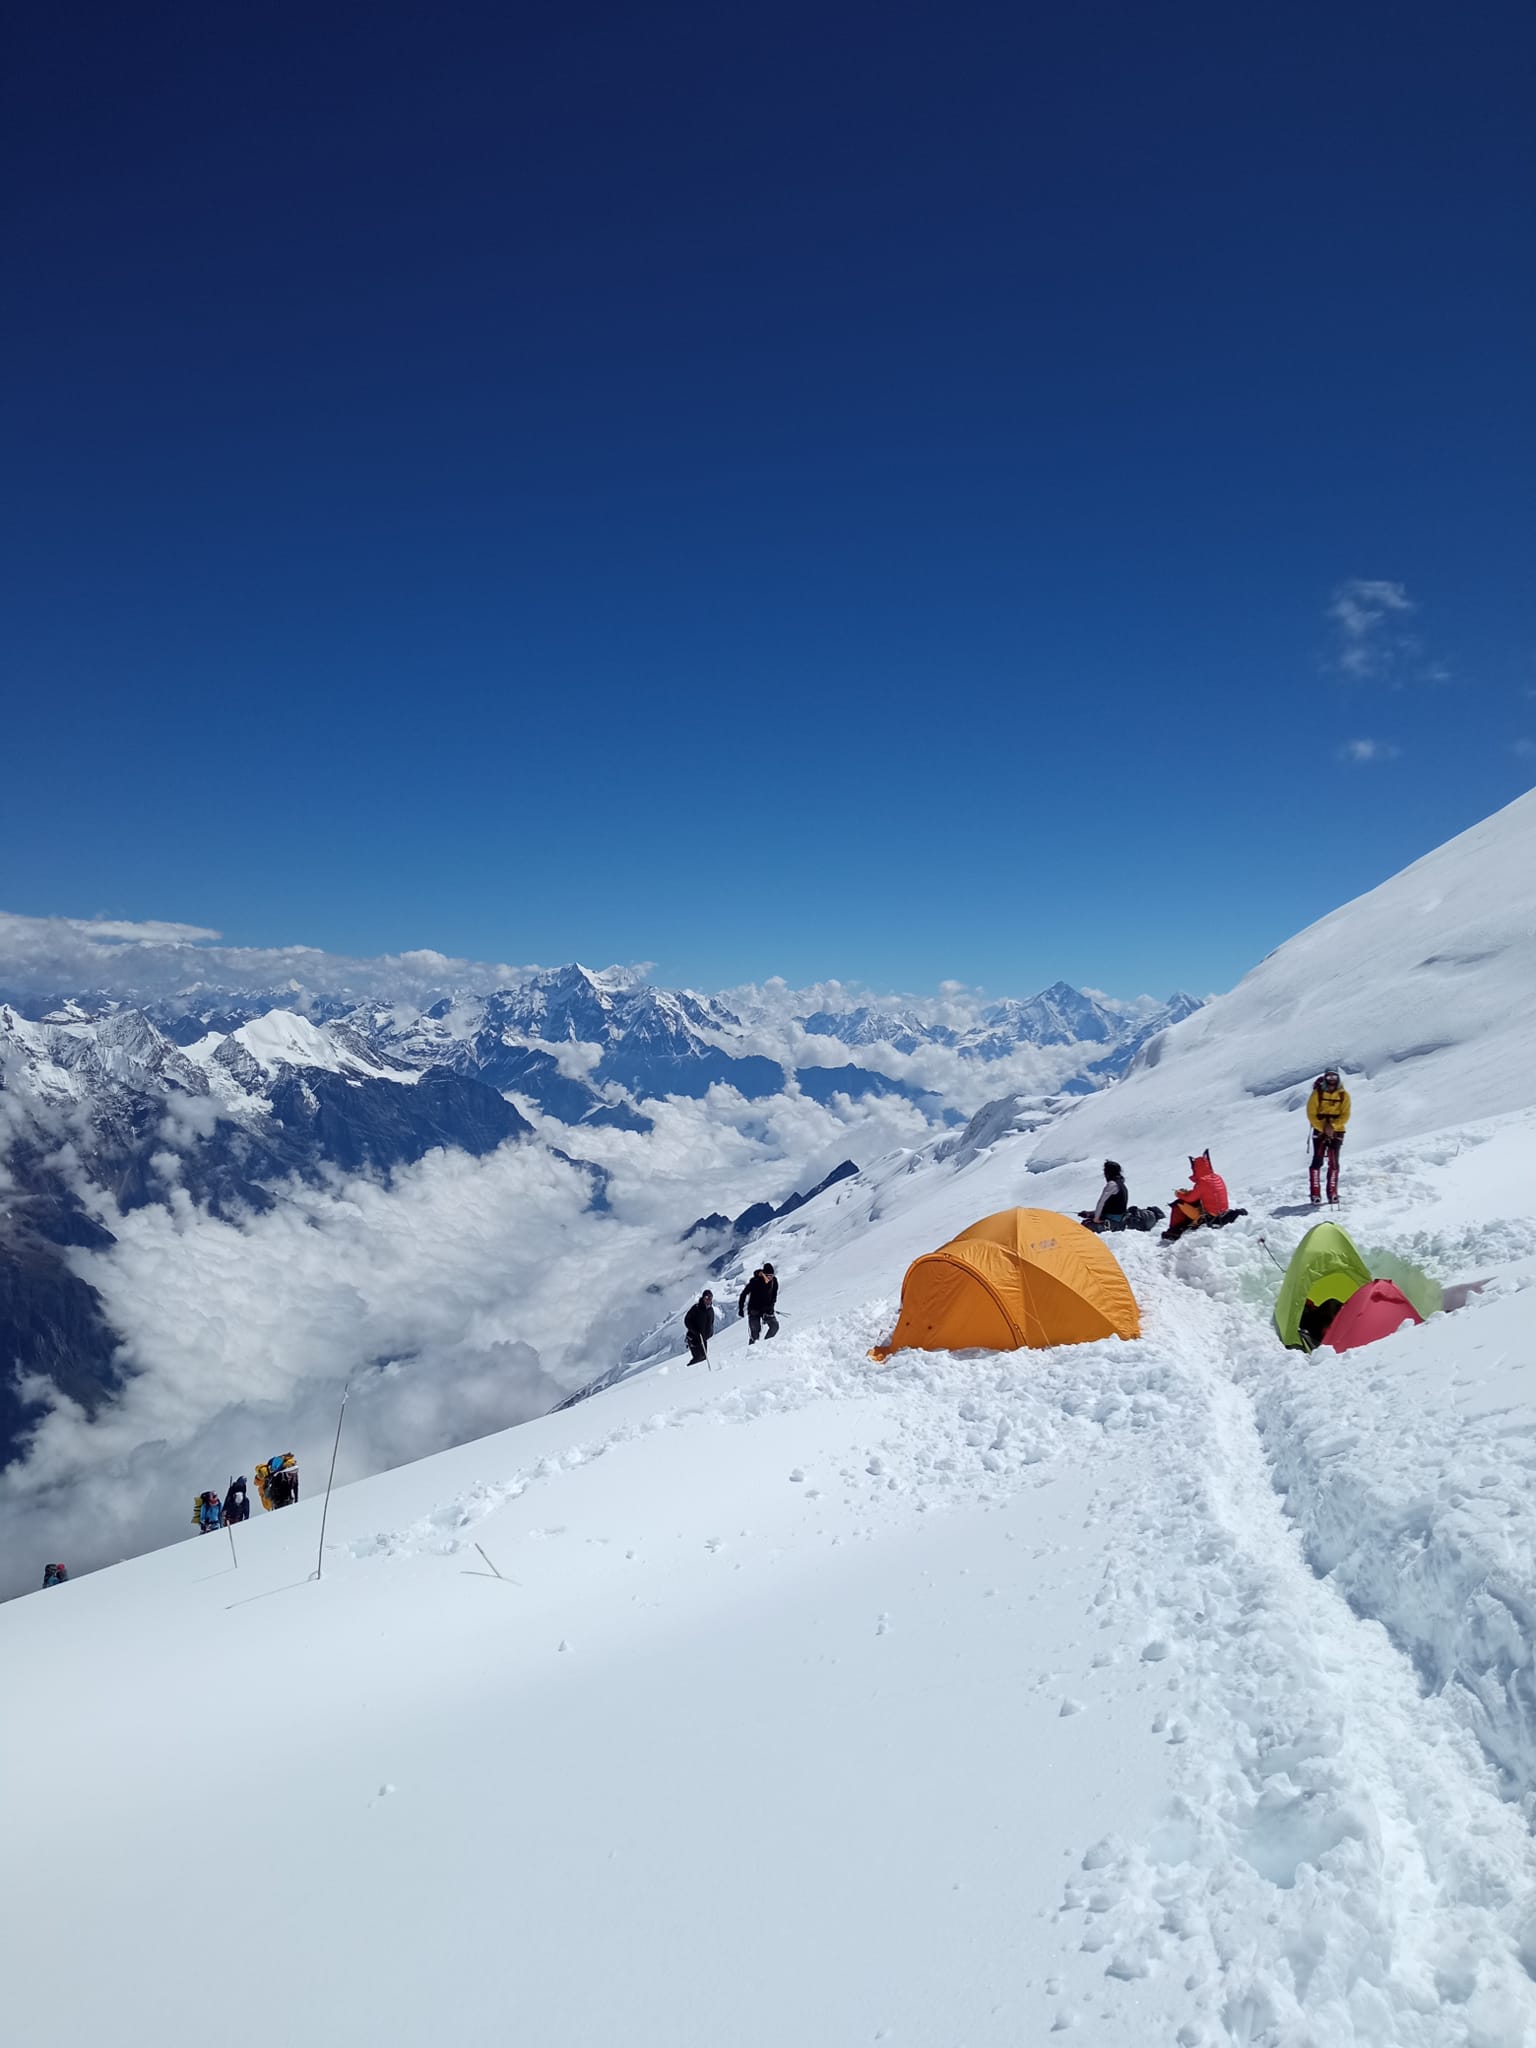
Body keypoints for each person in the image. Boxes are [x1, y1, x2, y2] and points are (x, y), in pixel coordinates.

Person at [1161, 1151, 1230, 1243]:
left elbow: (1190, 1199)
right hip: (1223, 1211)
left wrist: (1179, 1194)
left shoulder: (1202, 1181)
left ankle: (1174, 1231)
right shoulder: (1217, 1177)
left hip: (1210, 1216)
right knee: (1192, 1203)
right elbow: (1207, 1192)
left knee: (1178, 1204)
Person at [1307, 1066, 1351, 1207]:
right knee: (1317, 1161)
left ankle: (1332, 1193)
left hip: (1337, 1131)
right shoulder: (1317, 1094)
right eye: (1329, 1076)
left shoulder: (1344, 1095)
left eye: (1334, 1076)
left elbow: (1345, 1114)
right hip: (1320, 1131)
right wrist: (1323, 1127)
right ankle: (1315, 1194)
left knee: (1334, 1162)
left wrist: (1333, 1127)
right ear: (1325, 1077)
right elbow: (1311, 1114)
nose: (1331, 1079)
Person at [738, 1262, 780, 1343]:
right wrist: (741, 1308)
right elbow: (744, 1294)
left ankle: (765, 1345)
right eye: (768, 1276)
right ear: (763, 1274)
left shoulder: (774, 1282)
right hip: (754, 1310)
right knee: (755, 1334)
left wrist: (771, 1307)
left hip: (766, 1309)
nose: (770, 1278)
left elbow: (774, 1296)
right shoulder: (755, 1282)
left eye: (772, 1275)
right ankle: (753, 1351)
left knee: (774, 1326)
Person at [1079, 1162, 1128, 1231]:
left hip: (1113, 1220)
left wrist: (1096, 1219)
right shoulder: (1121, 1185)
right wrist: (1090, 1213)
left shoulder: (1112, 1184)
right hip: (1119, 1217)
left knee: (1086, 1225)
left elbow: (1101, 1202)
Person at [684, 1289, 715, 1366]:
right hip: (694, 1337)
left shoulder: (710, 1310)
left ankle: (700, 1375)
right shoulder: (696, 1308)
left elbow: (711, 1323)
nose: (708, 1300)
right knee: (697, 1358)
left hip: (703, 1338)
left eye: (710, 1298)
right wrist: (694, 1330)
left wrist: (709, 1333)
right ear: (703, 1298)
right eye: (706, 1298)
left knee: (703, 1358)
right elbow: (687, 1320)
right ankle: (688, 1372)